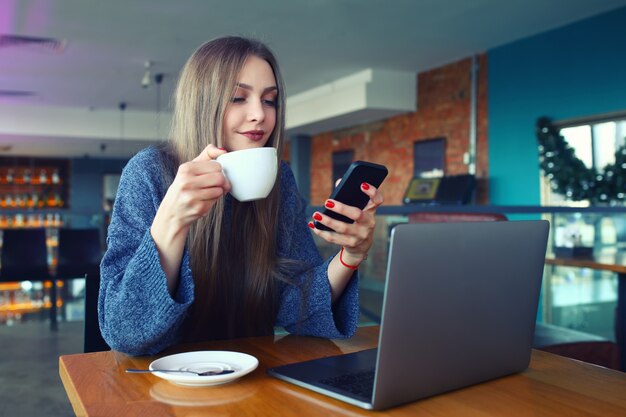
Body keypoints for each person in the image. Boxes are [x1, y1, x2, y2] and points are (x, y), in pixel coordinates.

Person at [98, 36, 384, 355]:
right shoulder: (150, 172)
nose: (259, 114)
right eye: (238, 97)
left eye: (269, 100)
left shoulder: (281, 179)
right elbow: (124, 332)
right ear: (202, 103)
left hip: (255, 376)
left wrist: (351, 256)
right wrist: (171, 222)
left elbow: (293, 307)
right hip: (163, 385)